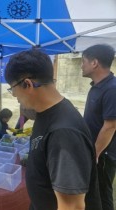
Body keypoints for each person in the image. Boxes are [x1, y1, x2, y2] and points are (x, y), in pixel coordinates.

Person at [5, 49, 102, 210]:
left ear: (27, 84)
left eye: (12, 90)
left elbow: (72, 206)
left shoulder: (63, 135)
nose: (15, 97)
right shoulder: (48, 110)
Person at [82, 44, 116, 210]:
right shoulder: (96, 86)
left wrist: (95, 153)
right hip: (95, 151)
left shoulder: (112, 89)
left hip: (103, 154)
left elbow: (110, 126)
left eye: (84, 61)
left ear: (94, 63)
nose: (82, 65)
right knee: (94, 193)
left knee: (103, 193)